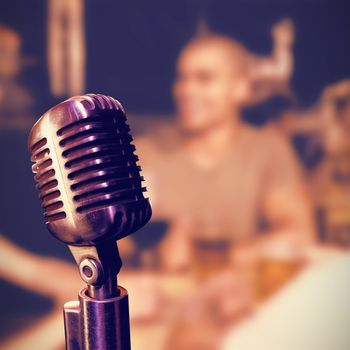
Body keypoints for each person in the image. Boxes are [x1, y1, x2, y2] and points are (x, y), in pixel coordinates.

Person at [135, 32, 315, 273]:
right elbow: (110, 243)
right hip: (158, 295)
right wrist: (155, 252)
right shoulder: (145, 152)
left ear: (240, 89)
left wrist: (215, 258)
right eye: (182, 78)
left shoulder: (267, 149)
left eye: (204, 78)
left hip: (242, 300)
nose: (186, 90)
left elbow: (300, 234)